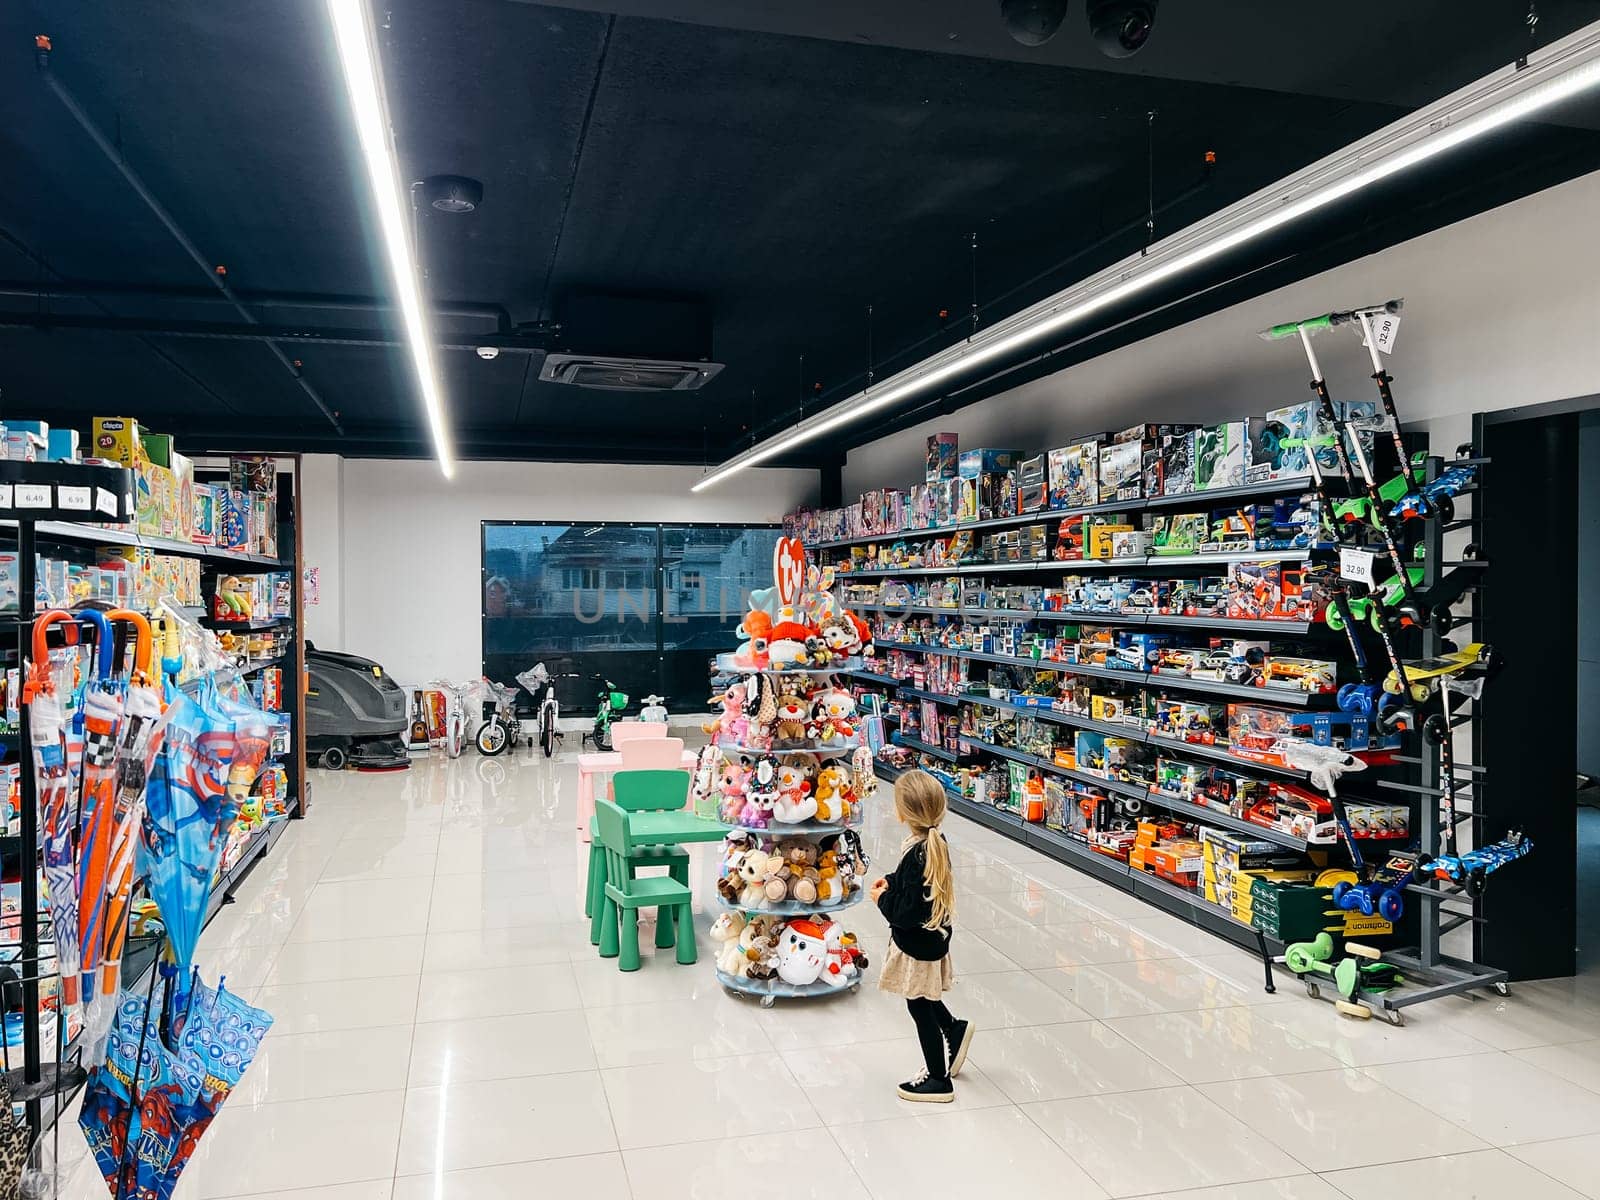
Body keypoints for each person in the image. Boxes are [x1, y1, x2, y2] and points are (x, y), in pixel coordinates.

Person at [869, 769, 973, 1103]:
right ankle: (954, 1029)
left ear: (902, 813)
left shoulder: (918, 853)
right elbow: (918, 888)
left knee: (918, 1005)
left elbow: (905, 914)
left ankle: (938, 1079)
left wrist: (882, 899)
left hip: (916, 943)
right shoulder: (932, 844)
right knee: (925, 994)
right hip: (934, 938)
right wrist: (892, 881)